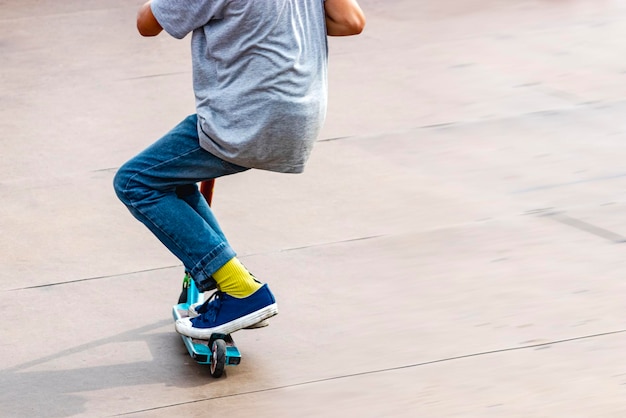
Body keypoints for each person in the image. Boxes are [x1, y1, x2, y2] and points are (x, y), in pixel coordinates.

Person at [114, 0, 365, 340]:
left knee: (135, 182)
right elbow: (350, 21)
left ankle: (241, 289)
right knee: (170, 177)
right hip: (301, 108)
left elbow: (147, 23)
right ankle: (231, 280)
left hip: (247, 116)